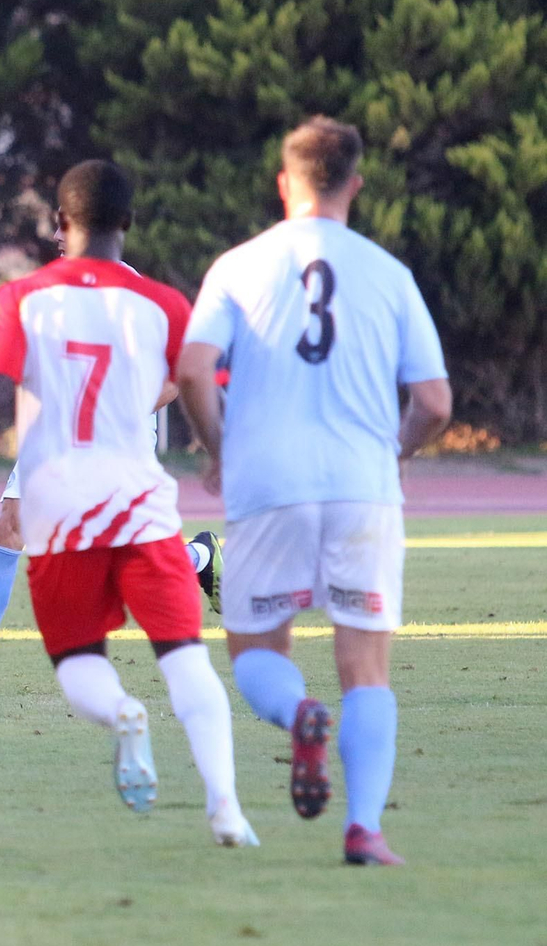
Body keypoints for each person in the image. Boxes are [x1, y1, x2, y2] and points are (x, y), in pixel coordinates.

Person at [0, 160, 257, 847]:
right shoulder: (163, 303)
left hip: (61, 506)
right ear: (127, 222)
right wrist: (220, 449)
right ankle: (227, 809)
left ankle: (122, 712)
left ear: (59, 223)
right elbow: (196, 378)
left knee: (78, 666)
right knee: (185, 658)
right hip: (137, 502)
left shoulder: (21, 299)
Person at [178, 117, 450, 866]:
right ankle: (364, 829)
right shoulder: (389, 274)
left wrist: (221, 448)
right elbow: (434, 402)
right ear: (354, 185)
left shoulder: (238, 266)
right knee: (366, 669)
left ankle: (300, 711)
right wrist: (397, 452)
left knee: (256, 650)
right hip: (364, 487)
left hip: (268, 484)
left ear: (283, 183)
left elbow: (193, 370)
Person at [0, 217, 225, 691]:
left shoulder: (136, 294)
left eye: (65, 226)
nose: (56, 237)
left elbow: (174, 381)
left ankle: (198, 557)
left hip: (120, 437)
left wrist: (115, 411)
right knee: (11, 523)